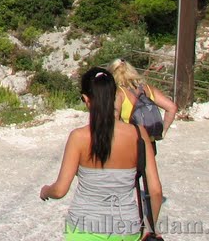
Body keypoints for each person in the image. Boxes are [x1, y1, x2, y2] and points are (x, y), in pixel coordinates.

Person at [40, 67, 162, 239]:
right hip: (127, 228)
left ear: (86, 99)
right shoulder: (138, 133)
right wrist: (150, 227)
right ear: (115, 95)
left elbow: (60, 190)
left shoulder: (79, 137)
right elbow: (155, 190)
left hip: (84, 229)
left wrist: (46, 191)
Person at [109, 59, 177, 144]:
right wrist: (163, 132)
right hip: (149, 141)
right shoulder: (147, 88)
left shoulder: (119, 93)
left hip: (130, 141)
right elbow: (172, 108)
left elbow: (114, 119)